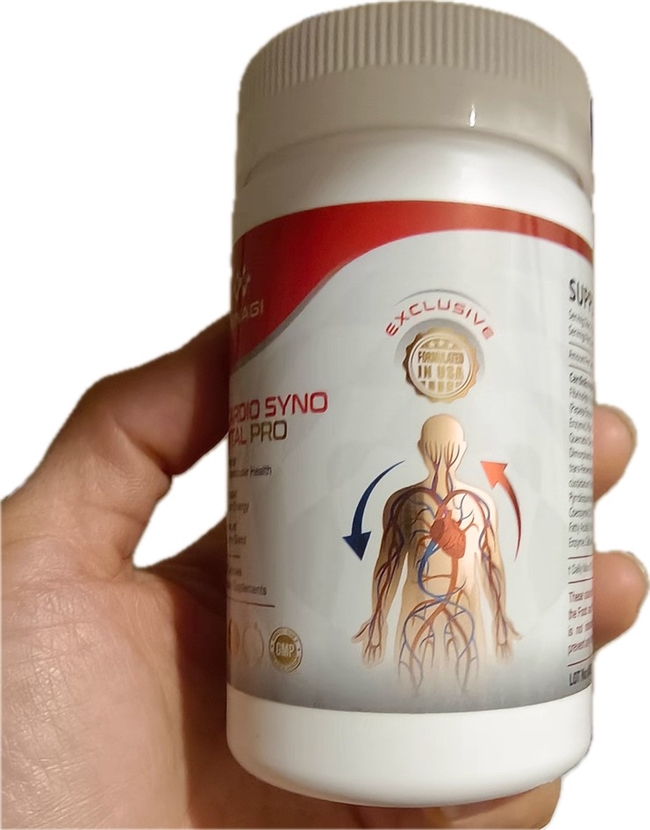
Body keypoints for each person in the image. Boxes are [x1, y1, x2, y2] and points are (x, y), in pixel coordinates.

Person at [2, 317, 647, 829]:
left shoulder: (451, 506)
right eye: (441, 451)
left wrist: (489, 623)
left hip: (447, 624)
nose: (444, 460)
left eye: (445, 451)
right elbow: (401, 568)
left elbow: (456, 571)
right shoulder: (426, 505)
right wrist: (385, 624)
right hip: (414, 626)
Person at [354, 415, 519, 693]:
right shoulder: (479, 504)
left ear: (421, 448)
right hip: (442, 611)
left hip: (434, 611)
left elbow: (387, 566)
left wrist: (378, 618)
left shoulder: (403, 502)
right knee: (459, 688)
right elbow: (492, 567)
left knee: (417, 688)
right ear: (462, 448)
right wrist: (500, 617)